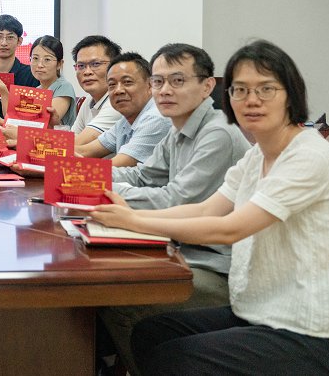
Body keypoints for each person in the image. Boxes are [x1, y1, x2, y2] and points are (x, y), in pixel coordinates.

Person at [91, 40, 329, 376]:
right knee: (150, 334)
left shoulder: (307, 156)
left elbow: (230, 228)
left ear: (291, 95)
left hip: (307, 331)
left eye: (266, 89)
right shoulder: (258, 153)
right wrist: (132, 216)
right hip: (258, 310)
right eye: (240, 90)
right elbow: (206, 210)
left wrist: (133, 220)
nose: (251, 100)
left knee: (175, 358)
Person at [98, 43, 251, 376]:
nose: (164, 90)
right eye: (158, 81)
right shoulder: (178, 128)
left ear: (207, 86)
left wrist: (104, 191)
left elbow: (175, 201)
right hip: (184, 249)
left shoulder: (217, 133)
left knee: (119, 301)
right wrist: (84, 175)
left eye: (177, 81)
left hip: (218, 267)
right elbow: (143, 176)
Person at [75, 52, 170, 167]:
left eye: (127, 82)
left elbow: (115, 165)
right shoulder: (126, 120)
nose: (118, 90)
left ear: (150, 85)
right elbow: (85, 151)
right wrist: (56, 152)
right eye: (112, 84)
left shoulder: (155, 118)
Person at [0, 35, 77, 134]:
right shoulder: (38, 89)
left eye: (47, 60)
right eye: (35, 58)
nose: (40, 65)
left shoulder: (64, 87)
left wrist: (1, 121)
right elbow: (14, 117)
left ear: (59, 64)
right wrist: (3, 92)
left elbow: (43, 123)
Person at [70, 35, 124, 146]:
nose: (87, 72)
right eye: (81, 66)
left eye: (95, 64)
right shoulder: (89, 100)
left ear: (114, 66)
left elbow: (75, 144)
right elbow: (73, 137)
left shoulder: (118, 102)